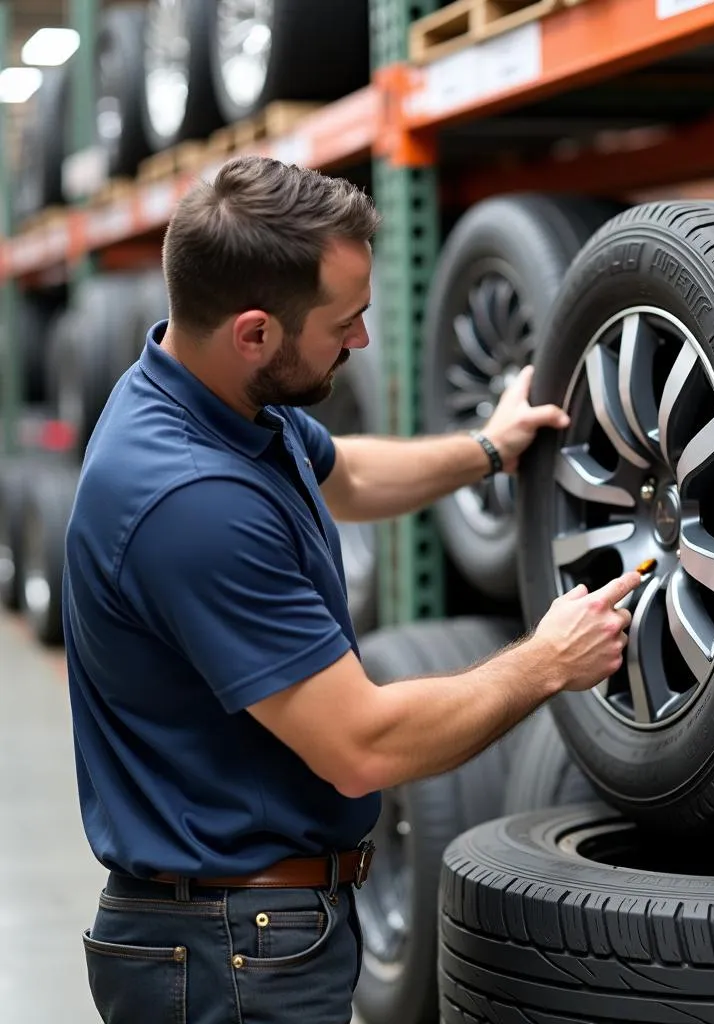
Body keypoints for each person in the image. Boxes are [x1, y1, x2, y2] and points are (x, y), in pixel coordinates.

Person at [63, 154, 642, 1024]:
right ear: (254, 333)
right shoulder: (191, 504)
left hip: (244, 927)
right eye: (348, 322)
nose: (361, 341)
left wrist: (489, 447)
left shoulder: (206, 394)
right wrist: (546, 663)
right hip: (231, 951)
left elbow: (347, 475)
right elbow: (361, 746)